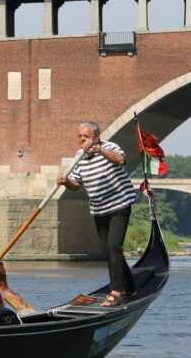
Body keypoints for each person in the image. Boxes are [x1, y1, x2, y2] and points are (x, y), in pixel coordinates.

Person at [58, 121, 139, 305]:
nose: (81, 140)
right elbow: (76, 184)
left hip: (120, 204)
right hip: (99, 209)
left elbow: (120, 160)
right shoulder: (79, 156)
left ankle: (116, 292)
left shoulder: (110, 147)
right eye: (79, 136)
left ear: (95, 137)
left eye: (84, 137)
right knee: (107, 251)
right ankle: (130, 286)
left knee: (113, 247)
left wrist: (98, 150)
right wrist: (65, 182)